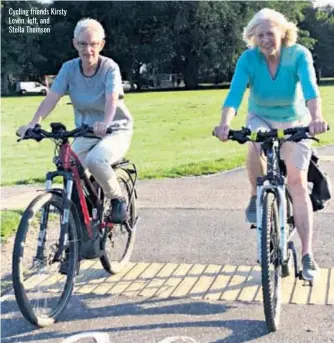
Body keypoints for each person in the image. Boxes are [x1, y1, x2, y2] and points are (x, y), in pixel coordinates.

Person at [213, 8, 328, 281]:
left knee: (298, 183)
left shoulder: (299, 54)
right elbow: (235, 93)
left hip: (294, 120)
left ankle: (307, 254)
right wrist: (224, 123)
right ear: (253, 37)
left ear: (283, 33)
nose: (265, 39)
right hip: (260, 117)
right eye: (259, 34)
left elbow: (310, 89)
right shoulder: (248, 59)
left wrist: (316, 118)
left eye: (270, 33)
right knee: (253, 141)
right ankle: (256, 195)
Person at [16, 18, 133, 224]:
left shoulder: (109, 68)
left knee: (96, 160)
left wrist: (105, 122)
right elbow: (52, 97)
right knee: (68, 165)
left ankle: (117, 199)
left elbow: (112, 98)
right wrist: (33, 123)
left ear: (101, 45)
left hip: (115, 129)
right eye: (82, 44)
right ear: (74, 44)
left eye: (93, 44)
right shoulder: (69, 68)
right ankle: (80, 229)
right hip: (85, 131)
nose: (88, 50)